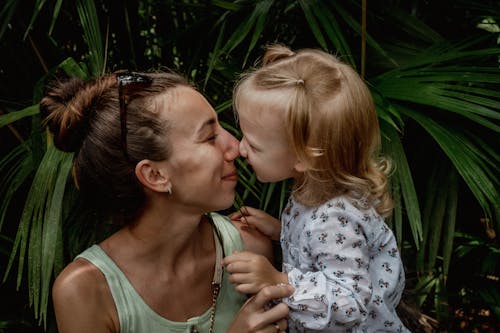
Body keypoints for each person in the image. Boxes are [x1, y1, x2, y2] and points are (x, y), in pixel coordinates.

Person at [41, 70, 293, 333]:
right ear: (155, 175)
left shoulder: (251, 249)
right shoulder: (86, 291)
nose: (236, 147)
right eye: (209, 137)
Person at [223, 45, 409, 332]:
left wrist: (278, 280)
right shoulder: (318, 191)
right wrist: (281, 231)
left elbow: (350, 303)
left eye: (254, 144)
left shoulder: (336, 219)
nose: (240, 148)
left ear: (304, 157)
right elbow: (325, 253)